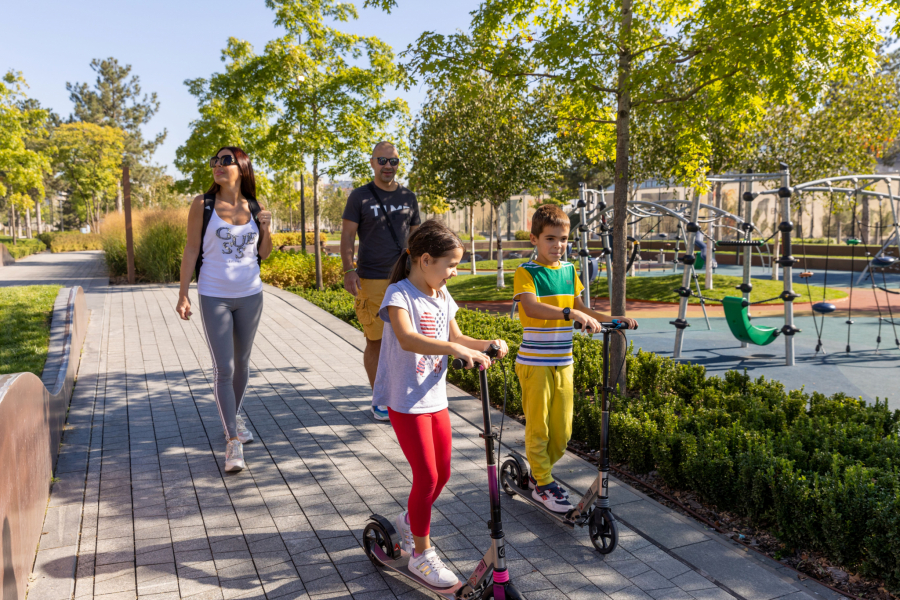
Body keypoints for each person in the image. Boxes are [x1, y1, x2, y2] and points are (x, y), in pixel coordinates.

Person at [373, 220, 508, 588]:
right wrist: (453, 349)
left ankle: (408, 522)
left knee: (443, 473)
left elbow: (458, 336)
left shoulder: (442, 296)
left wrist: (486, 344)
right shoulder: (399, 295)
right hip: (406, 399)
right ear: (425, 259)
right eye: (450, 265)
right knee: (427, 476)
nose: (453, 272)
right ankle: (420, 554)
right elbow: (406, 338)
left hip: (435, 397)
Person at [514, 204, 637, 513]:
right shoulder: (526, 272)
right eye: (550, 239)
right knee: (538, 428)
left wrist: (612, 318)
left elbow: (583, 308)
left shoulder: (569, 271)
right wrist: (570, 313)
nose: (558, 245)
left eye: (564, 239)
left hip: (563, 362)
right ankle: (543, 482)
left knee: (563, 431)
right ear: (535, 239)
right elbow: (531, 308)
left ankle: (537, 474)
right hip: (534, 364)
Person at [175, 146, 273, 473]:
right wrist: (183, 294)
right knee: (224, 368)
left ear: (242, 167)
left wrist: (267, 227)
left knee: (242, 364)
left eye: (225, 161)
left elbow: (265, 253)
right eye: (214, 160)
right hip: (214, 293)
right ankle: (233, 441)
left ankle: (234, 415)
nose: (217, 165)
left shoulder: (254, 206)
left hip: (250, 294)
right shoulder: (202, 206)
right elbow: (191, 249)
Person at [341, 141, 421, 421]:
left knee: (405, 340)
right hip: (371, 279)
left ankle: (401, 393)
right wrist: (348, 270)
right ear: (373, 162)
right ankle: (379, 398)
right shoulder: (360, 197)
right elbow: (348, 237)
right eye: (382, 161)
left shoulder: (409, 197)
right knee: (375, 340)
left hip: (405, 279)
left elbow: (416, 239)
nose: (388, 166)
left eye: (394, 161)